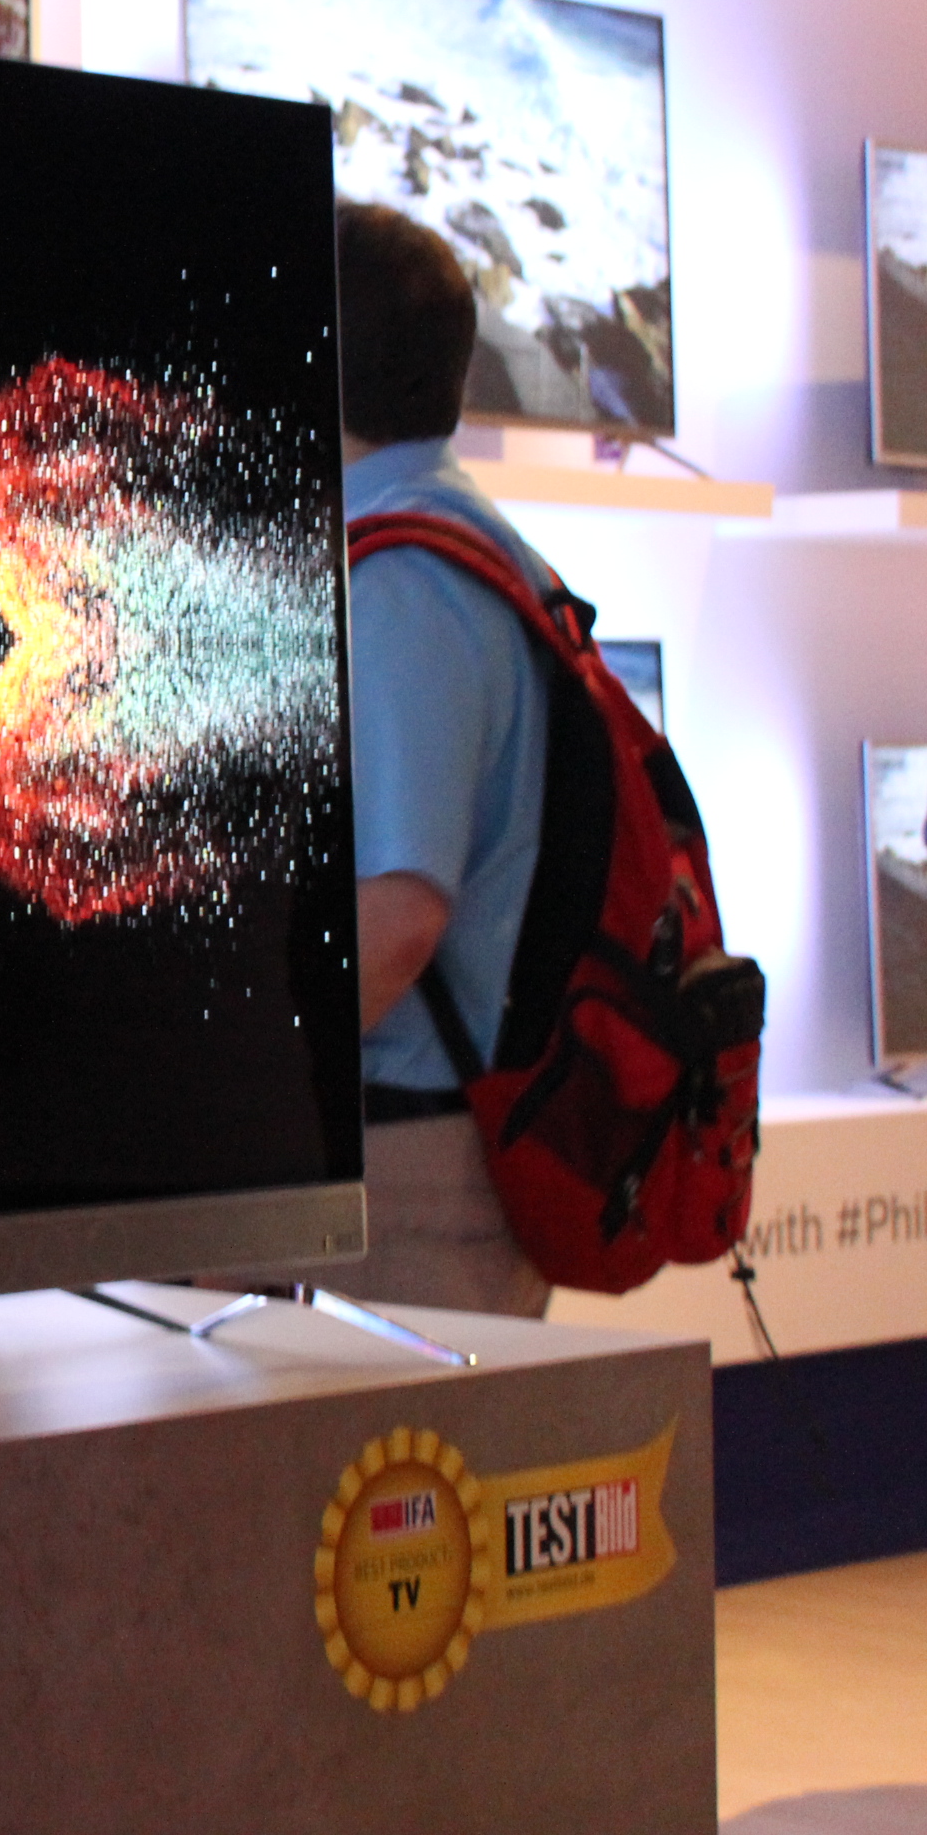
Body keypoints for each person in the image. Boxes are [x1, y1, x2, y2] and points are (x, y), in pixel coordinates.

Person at [316, 201, 555, 1317]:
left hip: (409, 1164)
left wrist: (238, 1089)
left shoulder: (403, 582)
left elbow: (400, 914)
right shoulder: (463, 537)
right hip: (437, 1145)